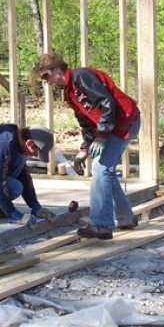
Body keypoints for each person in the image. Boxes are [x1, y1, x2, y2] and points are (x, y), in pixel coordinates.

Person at [32, 52, 140, 240]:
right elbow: (86, 122)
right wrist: (84, 149)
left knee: (100, 168)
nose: (46, 81)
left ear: (57, 69)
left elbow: (107, 104)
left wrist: (103, 136)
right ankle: (126, 217)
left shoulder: (81, 76)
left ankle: (102, 225)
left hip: (125, 121)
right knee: (105, 171)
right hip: (113, 125)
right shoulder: (69, 92)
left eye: (45, 76)